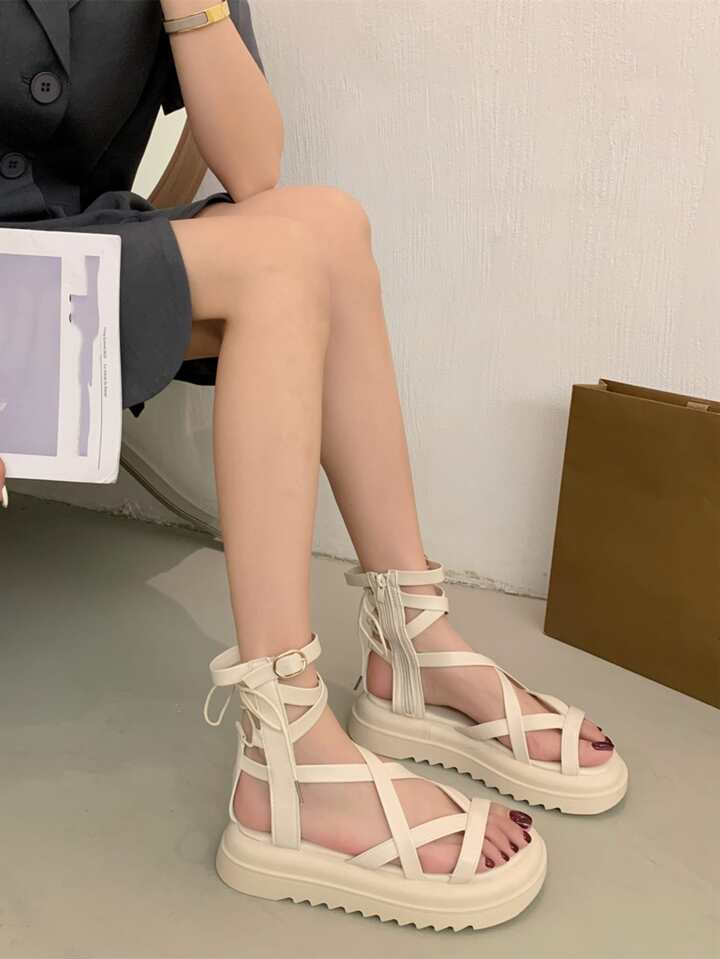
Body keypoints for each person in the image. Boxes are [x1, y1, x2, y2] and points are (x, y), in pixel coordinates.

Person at [0, 0, 627, 932]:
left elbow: (253, 168)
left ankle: (411, 644)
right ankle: (287, 758)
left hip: (65, 264)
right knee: (278, 262)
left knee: (327, 225)